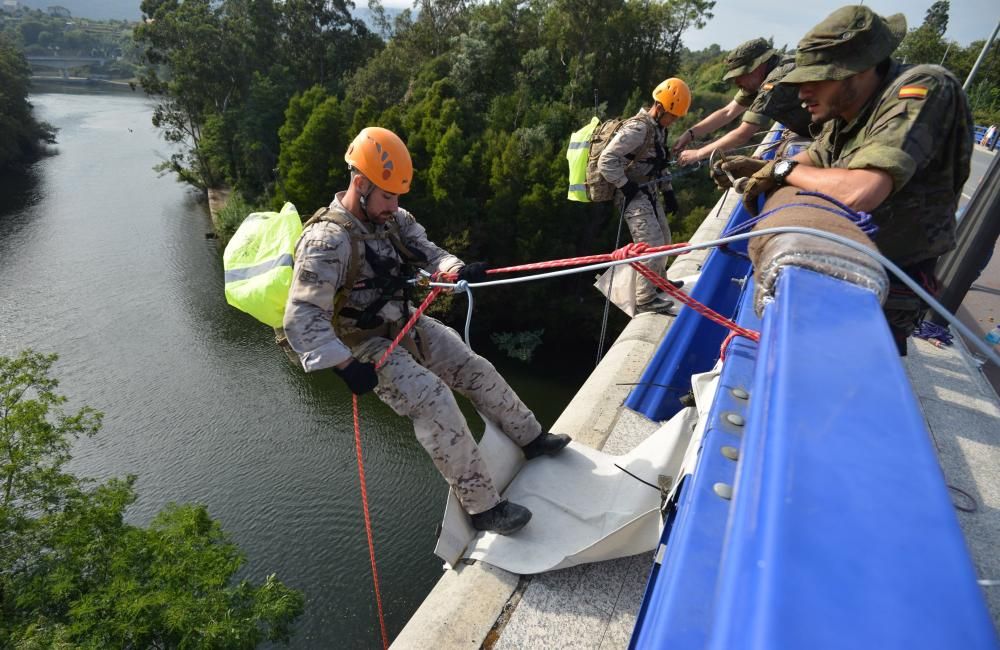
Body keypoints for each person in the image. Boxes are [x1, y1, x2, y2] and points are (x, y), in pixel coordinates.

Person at [283, 127, 571, 535]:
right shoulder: (327, 241)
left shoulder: (392, 220)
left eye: (398, 197)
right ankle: (483, 508)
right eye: (387, 196)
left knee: (473, 366)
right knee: (434, 401)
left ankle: (531, 437)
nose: (395, 206)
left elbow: (428, 251)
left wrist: (454, 270)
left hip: (404, 321)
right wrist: (346, 366)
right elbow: (301, 318)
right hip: (362, 341)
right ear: (360, 183)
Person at [717, 5, 972, 356]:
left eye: (815, 78)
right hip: (843, 255)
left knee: (850, 375)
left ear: (859, 70)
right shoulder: (845, 107)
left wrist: (782, 172)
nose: (802, 92)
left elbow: (861, 191)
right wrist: (763, 167)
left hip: (888, 274)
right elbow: (816, 156)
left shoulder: (923, 88)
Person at [597, 77, 691, 315]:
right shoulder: (637, 128)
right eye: (672, 115)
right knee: (651, 244)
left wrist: (668, 192)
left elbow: (658, 162)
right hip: (631, 195)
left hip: (647, 190)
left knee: (665, 238)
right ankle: (645, 298)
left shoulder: (658, 129)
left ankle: (659, 281)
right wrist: (625, 185)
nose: (674, 121)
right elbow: (606, 160)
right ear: (659, 108)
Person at [672, 38, 812, 166]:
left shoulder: (775, 82)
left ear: (758, 66)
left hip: (825, 135)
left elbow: (743, 134)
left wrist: (698, 154)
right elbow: (728, 112)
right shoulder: (758, 78)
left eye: (740, 74)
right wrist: (690, 134)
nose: (736, 81)